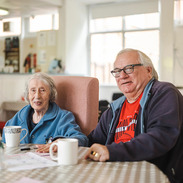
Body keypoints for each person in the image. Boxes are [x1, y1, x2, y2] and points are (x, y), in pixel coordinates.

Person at [84, 48, 183, 183]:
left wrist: (111, 151)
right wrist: (64, 143)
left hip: (152, 176)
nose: (122, 75)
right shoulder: (115, 108)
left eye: (129, 68)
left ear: (148, 71)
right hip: (115, 173)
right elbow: (93, 140)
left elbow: (161, 137)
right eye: (117, 71)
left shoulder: (164, 93)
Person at [2, 72, 88, 147]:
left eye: (42, 90)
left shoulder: (63, 117)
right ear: (28, 95)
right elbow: (4, 139)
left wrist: (60, 143)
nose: (37, 96)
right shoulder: (20, 116)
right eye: (33, 90)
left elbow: (82, 139)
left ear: (51, 94)